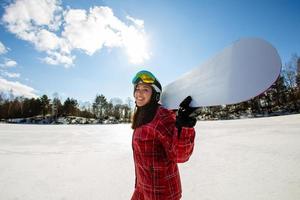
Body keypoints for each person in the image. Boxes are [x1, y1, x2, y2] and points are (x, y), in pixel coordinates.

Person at [131, 70, 197, 200]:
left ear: (155, 94)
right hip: (142, 188)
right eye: (137, 89)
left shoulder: (162, 116)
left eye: (145, 89)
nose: (139, 93)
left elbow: (180, 155)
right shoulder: (142, 115)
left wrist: (183, 126)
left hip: (162, 193)